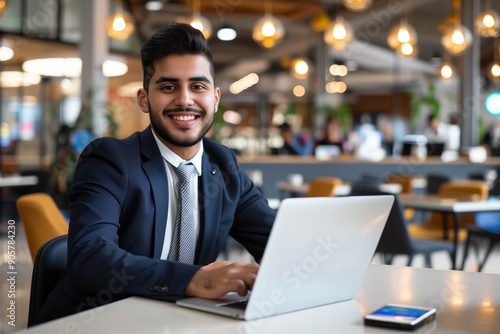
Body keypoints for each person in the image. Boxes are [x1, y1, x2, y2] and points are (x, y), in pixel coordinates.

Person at [34, 22, 276, 324]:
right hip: (94, 322)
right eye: (168, 86)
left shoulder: (223, 164)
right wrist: (196, 279)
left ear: (215, 98)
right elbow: (90, 257)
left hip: (177, 323)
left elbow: (277, 243)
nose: (185, 100)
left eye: (197, 86)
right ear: (144, 99)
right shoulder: (110, 159)